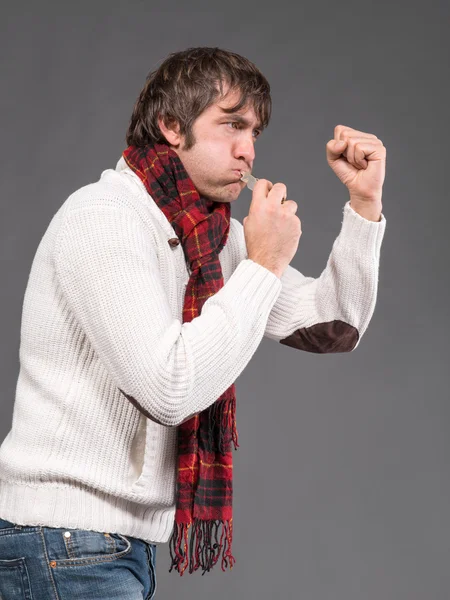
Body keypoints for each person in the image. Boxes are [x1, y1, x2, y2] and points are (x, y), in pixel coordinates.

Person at [0, 46, 386, 598]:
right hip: (61, 541)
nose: (248, 151)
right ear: (172, 126)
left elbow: (334, 328)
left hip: (107, 548)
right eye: (231, 125)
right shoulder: (104, 218)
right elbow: (169, 388)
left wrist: (364, 206)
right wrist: (265, 264)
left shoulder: (214, 237)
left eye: (255, 132)